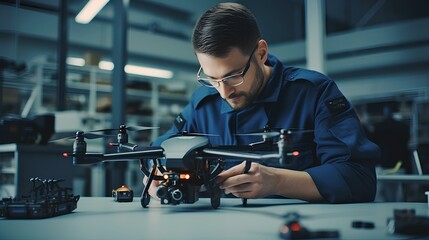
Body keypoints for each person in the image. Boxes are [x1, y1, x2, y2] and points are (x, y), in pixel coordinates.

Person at [148, 2, 380, 203]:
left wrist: (278, 181)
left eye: (233, 76)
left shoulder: (314, 93)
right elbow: (158, 152)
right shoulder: (202, 104)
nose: (224, 92)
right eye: (212, 79)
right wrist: (157, 176)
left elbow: (359, 178)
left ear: (261, 53)